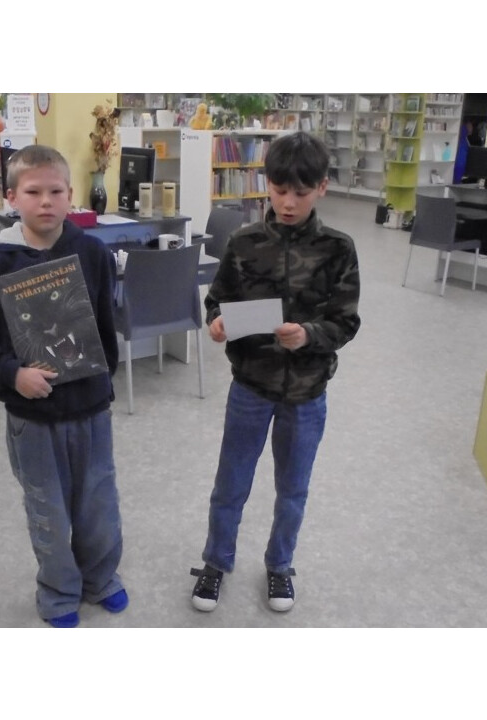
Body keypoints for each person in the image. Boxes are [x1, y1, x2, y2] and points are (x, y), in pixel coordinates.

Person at [0, 145, 125, 628]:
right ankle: (58, 591)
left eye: (56, 191)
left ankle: (101, 578)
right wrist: (12, 374)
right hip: (33, 416)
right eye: (33, 192)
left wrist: (101, 385)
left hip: (90, 409)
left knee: (98, 501)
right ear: (12, 198)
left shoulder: (93, 253)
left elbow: (106, 329)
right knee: (47, 507)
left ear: (71, 195)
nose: (45, 201)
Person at [189, 131, 361, 613]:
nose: (287, 203)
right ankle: (215, 562)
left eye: (300, 193)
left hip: (306, 393)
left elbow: (346, 321)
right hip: (251, 385)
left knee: (293, 488)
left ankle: (280, 564)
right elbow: (217, 300)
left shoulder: (338, 249)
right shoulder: (244, 242)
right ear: (267, 184)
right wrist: (217, 322)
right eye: (279, 190)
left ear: (322, 187)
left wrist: (308, 335)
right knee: (231, 483)